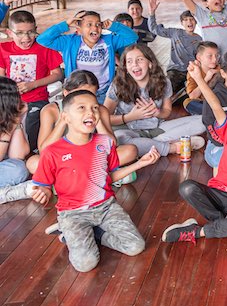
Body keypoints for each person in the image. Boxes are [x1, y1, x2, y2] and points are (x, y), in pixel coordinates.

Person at [30, 89, 158, 272]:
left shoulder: (105, 142)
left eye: (94, 108)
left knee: (135, 246)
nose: (90, 113)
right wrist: (43, 193)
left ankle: (96, 234)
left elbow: (110, 176)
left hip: (106, 207)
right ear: (66, 117)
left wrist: (139, 165)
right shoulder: (52, 152)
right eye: (81, 108)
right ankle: (69, 232)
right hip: (73, 214)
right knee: (86, 265)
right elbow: (44, 186)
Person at [161, 60, 227, 244]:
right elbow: (216, 106)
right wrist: (198, 78)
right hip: (218, 194)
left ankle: (197, 231)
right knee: (187, 187)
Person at [103, 44, 206, 158]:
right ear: (126, 67)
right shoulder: (118, 85)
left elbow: (166, 111)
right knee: (120, 140)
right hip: (127, 130)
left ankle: (148, 144)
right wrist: (130, 117)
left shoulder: (164, 82)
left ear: (150, 63)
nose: (135, 64)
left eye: (140, 60)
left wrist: (157, 112)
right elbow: (104, 118)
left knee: (203, 120)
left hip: (156, 129)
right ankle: (172, 147)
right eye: (130, 61)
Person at [27, 70, 137, 174]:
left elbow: (112, 146)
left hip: (90, 156)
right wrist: (63, 120)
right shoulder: (50, 110)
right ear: (66, 93)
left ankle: (74, 176)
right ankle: (99, 176)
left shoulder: (100, 110)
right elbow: (44, 151)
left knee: (130, 151)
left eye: (91, 95)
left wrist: (96, 117)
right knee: (33, 163)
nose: (87, 99)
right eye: (80, 95)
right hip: (63, 158)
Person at [37, 10, 138, 103]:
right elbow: (43, 39)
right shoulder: (69, 42)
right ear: (79, 30)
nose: (95, 28)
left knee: (103, 118)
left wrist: (114, 26)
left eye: (98, 24)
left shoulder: (109, 41)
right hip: (77, 92)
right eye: (89, 25)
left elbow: (132, 37)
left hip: (104, 91)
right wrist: (66, 24)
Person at [0, 8, 64, 151]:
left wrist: (33, 85)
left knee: (31, 123)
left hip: (37, 99)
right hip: (9, 100)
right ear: (9, 33)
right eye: (20, 33)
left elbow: (58, 74)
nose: (26, 38)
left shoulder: (45, 47)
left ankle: (32, 152)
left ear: (36, 29)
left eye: (30, 32)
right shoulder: (3, 48)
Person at [146, 0, 201, 94]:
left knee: (195, 91)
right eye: (186, 20)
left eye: (192, 19)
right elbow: (154, 29)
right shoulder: (175, 33)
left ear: (196, 21)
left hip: (191, 71)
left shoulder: (199, 39)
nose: (189, 22)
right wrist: (151, 13)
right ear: (181, 23)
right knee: (166, 89)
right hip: (175, 70)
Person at [0, 78, 34, 204]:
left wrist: (17, 120)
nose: (20, 98)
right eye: (17, 95)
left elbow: (18, 155)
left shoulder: (9, 117)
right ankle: (7, 194)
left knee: (19, 169)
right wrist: (9, 130)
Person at [184, 41, 220, 116]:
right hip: (203, 102)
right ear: (199, 58)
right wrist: (206, 78)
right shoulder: (193, 71)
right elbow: (193, 96)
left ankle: (214, 112)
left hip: (218, 101)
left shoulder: (220, 69)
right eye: (210, 56)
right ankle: (214, 112)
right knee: (188, 102)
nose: (214, 60)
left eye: (216, 56)